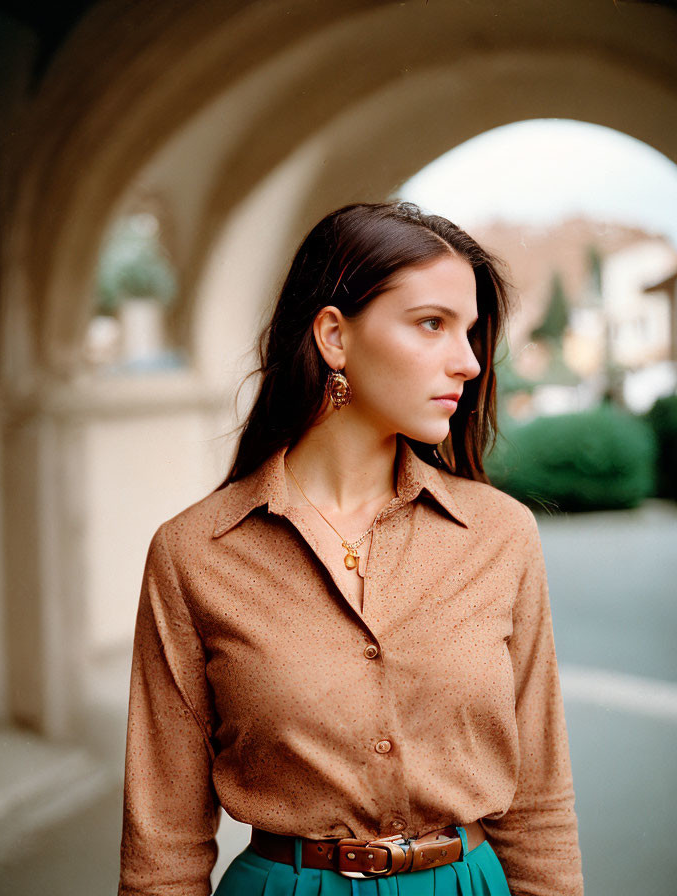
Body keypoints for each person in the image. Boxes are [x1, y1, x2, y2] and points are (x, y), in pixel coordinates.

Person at [117, 200, 584, 896]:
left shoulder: (500, 534)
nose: (469, 361)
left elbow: (539, 802)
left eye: (473, 332)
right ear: (334, 336)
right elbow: (163, 846)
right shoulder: (194, 554)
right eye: (433, 324)